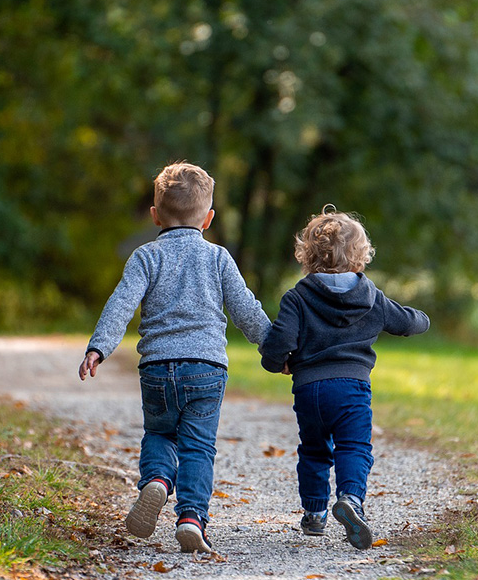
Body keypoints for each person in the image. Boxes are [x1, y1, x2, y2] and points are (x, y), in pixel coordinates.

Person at [78, 162, 270, 553]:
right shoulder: (218, 258)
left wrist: (99, 347)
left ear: (154, 216)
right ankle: (191, 518)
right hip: (207, 369)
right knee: (198, 446)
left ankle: (158, 480)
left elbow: (121, 305)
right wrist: (275, 348)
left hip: (157, 368)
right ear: (209, 218)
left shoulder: (145, 257)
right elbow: (246, 310)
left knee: (160, 433)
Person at [260, 206, 429, 550]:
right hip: (352, 389)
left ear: (307, 257)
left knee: (313, 450)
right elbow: (407, 322)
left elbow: (280, 341)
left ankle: (314, 513)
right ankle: (351, 499)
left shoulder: (297, 297)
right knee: (354, 446)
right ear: (360, 258)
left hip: (309, 391)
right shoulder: (371, 297)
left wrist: (277, 363)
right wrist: (424, 319)